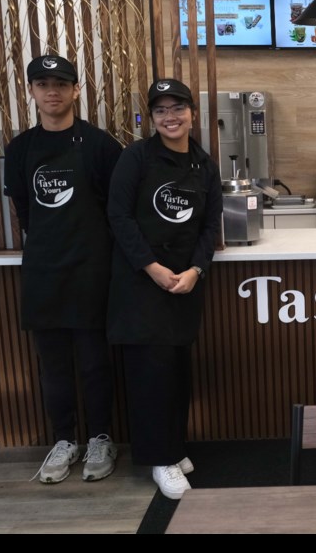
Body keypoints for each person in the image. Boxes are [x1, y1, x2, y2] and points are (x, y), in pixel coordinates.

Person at [2, 54, 123, 483]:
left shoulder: (101, 145)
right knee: (52, 365)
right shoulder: (20, 149)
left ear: (76, 90)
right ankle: (64, 440)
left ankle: (100, 438)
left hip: (91, 270)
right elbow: (23, 210)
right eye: (42, 83)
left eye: (60, 83)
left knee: (94, 362)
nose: (51, 90)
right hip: (42, 272)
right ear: (32, 92)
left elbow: (117, 208)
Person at [107, 78, 222, 500]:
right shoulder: (136, 157)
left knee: (177, 371)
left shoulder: (204, 164)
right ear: (151, 118)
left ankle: (174, 448)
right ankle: (160, 459)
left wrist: (196, 269)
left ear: (192, 112)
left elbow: (210, 225)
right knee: (150, 375)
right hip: (142, 284)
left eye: (178, 109)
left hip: (184, 284)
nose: (170, 117)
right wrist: (151, 267)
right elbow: (119, 217)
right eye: (161, 111)